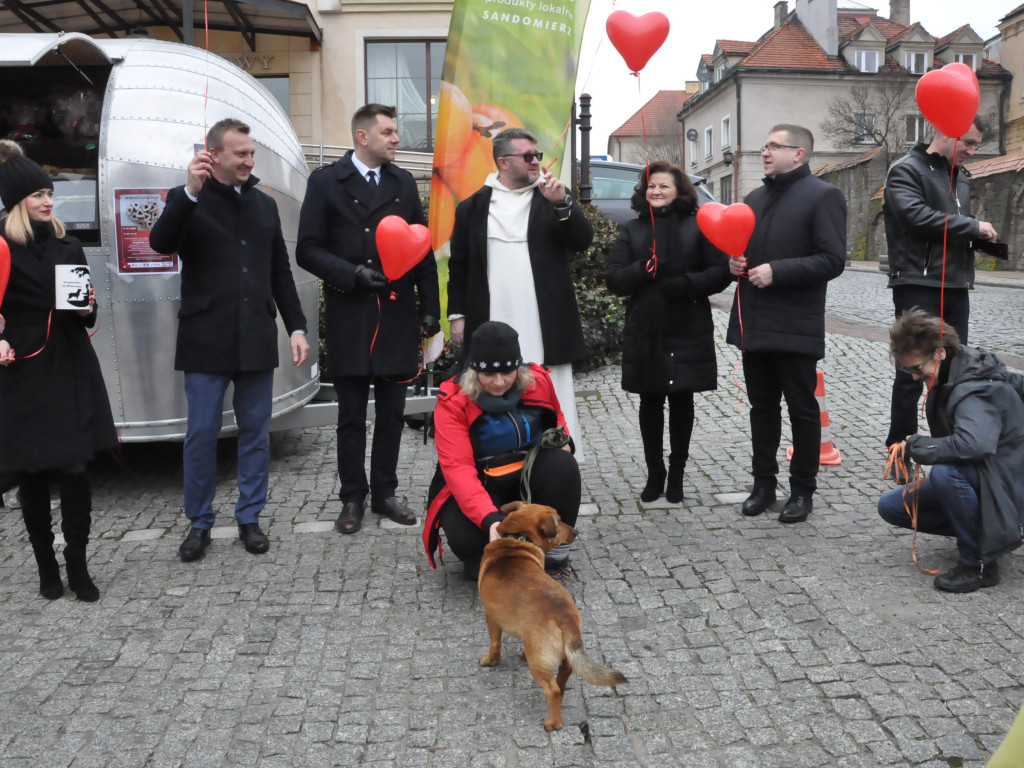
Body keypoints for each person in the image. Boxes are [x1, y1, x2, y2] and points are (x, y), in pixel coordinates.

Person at [149, 118, 309, 562]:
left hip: (256, 335)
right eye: (241, 154)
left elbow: (280, 271)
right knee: (201, 435)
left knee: (255, 434)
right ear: (213, 155)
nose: (249, 161)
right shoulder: (187, 198)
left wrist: (296, 326)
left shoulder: (264, 204)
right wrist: (189, 191)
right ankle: (199, 522)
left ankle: (249, 518)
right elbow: (161, 243)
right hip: (205, 338)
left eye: (251, 153)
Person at [297, 104, 440, 535]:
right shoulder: (326, 182)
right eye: (389, 132)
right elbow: (307, 249)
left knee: (393, 413)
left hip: (396, 312)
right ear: (363, 137)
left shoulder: (403, 182)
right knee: (351, 416)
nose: (397, 139)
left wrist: (429, 309)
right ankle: (352, 498)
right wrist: (352, 274)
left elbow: (421, 250)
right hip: (351, 312)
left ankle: (385, 493)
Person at [0, 139, 118, 601]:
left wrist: (88, 308)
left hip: (69, 363)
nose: (49, 201)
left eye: (50, 193)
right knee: (32, 471)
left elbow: (86, 315)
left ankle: (78, 564)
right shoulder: (2, 249)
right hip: (24, 368)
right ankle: (46, 566)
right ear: (18, 202)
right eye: (38, 195)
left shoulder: (69, 246)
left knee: (75, 467)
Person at [447, 127, 592, 458]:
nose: (536, 162)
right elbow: (459, 266)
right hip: (492, 313)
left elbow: (582, 241)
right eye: (527, 156)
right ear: (503, 161)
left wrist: (562, 204)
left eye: (536, 155)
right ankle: (497, 458)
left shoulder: (552, 196)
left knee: (549, 380)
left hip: (544, 316)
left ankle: (557, 458)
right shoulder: (472, 207)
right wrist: (458, 315)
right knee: (494, 381)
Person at [727, 124, 847, 523]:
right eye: (765, 145)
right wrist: (734, 263)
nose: (765, 152)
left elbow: (832, 260)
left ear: (799, 154)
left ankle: (801, 491)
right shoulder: (754, 199)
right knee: (761, 408)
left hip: (795, 321)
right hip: (755, 319)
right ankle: (763, 486)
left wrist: (777, 271)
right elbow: (741, 248)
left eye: (775, 146)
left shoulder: (823, 195)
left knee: (802, 410)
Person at [606, 162, 730, 503]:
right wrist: (642, 269)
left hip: (687, 325)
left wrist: (687, 284)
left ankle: (676, 473)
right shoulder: (632, 229)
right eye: (651, 186)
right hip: (646, 327)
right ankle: (655, 473)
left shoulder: (699, 225)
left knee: (681, 399)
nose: (656, 191)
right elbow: (614, 278)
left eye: (664, 185)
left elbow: (720, 272)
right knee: (650, 400)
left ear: (679, 190)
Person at [877, 308, 1024, 593]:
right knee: (893, 507)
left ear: (940, 353)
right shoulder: (956, 371)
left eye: (916, 368)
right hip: (988, 475)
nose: (914, 378)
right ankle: (988, 533)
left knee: (946, 474)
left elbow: (973, 445)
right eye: (908, 371)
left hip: (1006, 485)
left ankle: (978, 564)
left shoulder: (974, 388)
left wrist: (916, 445)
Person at [423, 321, 581, 581]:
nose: (499, 382)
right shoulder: (453, 402)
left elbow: (558, 421)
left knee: (562, 464)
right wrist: (490, 520)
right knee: (470, 544)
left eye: (507, 373)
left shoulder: (538, 380)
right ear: (474, 371)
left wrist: (564, 441)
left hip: (528, 480)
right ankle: (504, 550)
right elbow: (459, 470)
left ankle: (553, 553)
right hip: (482, 485)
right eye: (489, 375)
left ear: (518, 368)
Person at [883, 116, 998, 460]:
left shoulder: (960, 175)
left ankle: (949, 446)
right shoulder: (906, 170)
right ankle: (899, 447)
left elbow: (951, 230)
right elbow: (915, 217)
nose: (972, 151)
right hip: (918, 282)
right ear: (948, 134)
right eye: (969, 143)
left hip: (956, 284)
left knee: (952, 368)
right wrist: (972, 227)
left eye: (976, 144)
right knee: (913, 368)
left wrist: (981, 242)